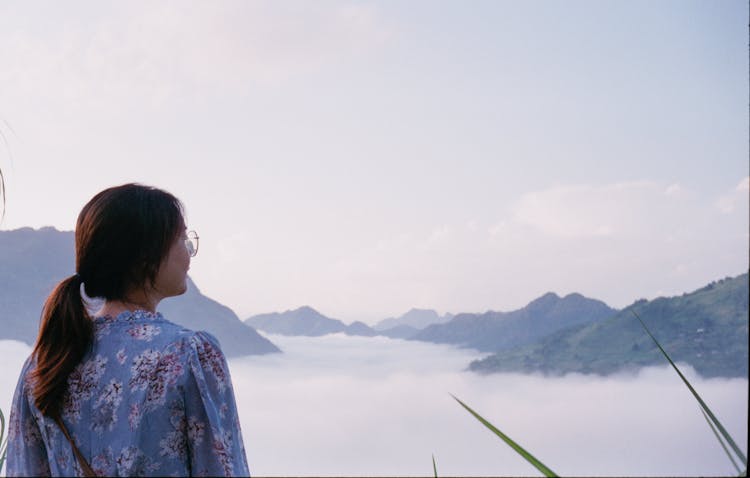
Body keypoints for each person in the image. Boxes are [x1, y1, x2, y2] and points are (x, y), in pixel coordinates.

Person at [6, 183, 250, 477]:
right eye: (182, 239)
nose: (189, 253)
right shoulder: (188, 357)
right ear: (146, 255)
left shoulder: (43, 366)